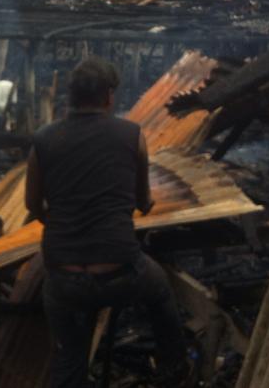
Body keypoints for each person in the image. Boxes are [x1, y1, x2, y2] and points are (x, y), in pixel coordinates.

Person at [25, 57, 189, 388]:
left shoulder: (43, 140)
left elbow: (32, 205)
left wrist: (60, 222)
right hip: (121, 273)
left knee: (69, 357)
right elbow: (143, 202)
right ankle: (175, 370)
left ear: (70, 96)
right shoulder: (132, 135)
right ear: (109, 96)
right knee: (160, 290)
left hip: (64, 278)